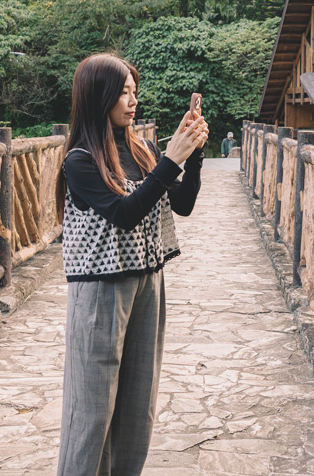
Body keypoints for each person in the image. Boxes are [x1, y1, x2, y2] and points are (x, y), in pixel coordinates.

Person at [55, 54, 209, 476]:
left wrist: (191, 153)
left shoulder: (141, 149)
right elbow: (124, 213)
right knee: (92, 413)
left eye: (134, 91)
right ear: (98, 95)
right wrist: (171, 161)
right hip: (101, 289)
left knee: (138, 407)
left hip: (148, 283)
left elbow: (183, 204)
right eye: (123, 91)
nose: (132, 100)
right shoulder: (81, 160)